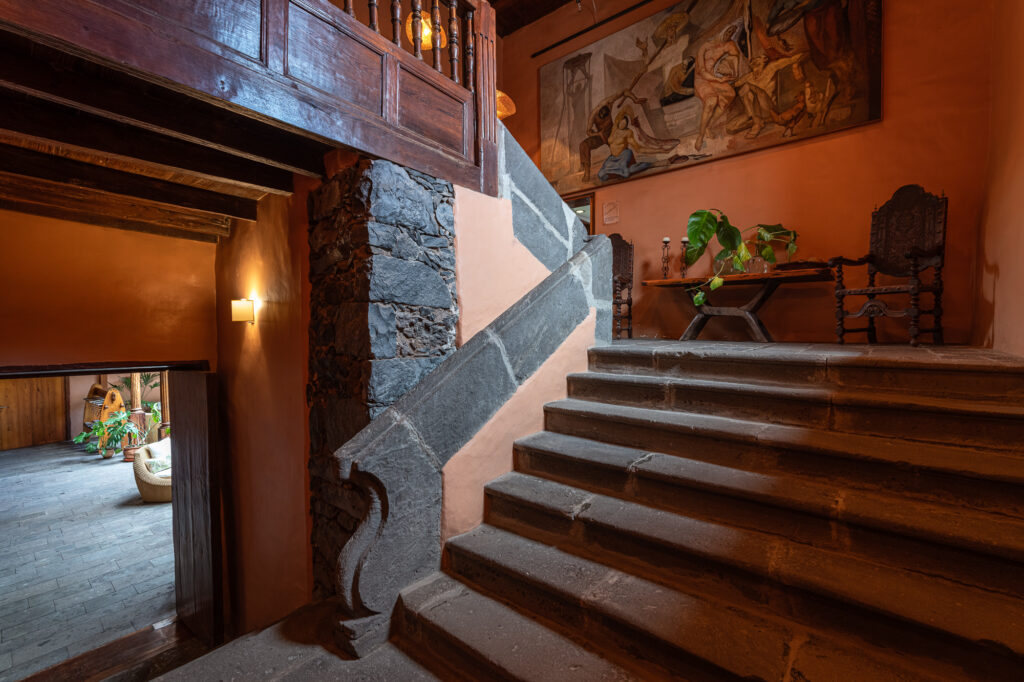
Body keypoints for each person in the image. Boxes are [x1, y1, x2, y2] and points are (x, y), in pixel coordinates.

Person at [693, 25, 743, 151]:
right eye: (728, 31)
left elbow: (736, 57)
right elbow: (702, 72)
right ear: (723, 30)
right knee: (711, 101)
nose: (729, 34)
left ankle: (710, 125)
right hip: (702, 79)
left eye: (732, 32)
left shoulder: (728, 45)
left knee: (730, 93)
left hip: (714, 78)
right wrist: (719, 79)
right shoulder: (705, 46)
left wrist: (734, 72)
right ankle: (701, 135)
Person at [578, 90, 644, 181]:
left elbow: (624, 91)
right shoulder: (593, 115)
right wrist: (598, 133)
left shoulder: (608, 102)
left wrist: (635, 99)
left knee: (620, 149)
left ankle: (628, 165)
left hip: (612, 132)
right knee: (583, 145)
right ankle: (587, 171)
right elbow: (588, 132)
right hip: (600, 135)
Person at [735, 53, 805, 138]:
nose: (756, 70)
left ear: (764, 62)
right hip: (757, 110)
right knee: (746, 90)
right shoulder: (749, 77)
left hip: (770, 109)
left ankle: (756, 122)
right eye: (754, 66)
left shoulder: (771, 68)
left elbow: (791, 59)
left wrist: (799, 59)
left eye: (758, 64)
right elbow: (735, 85)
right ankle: (756, 120)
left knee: (748, 87)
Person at [596, 108, 658, 182]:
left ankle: (648, 165)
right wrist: (632, 117)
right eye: (622, 122)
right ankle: (629, 170)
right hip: (612, 157)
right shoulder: (614, 128)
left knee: (624, 172)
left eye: (625, 124)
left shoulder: (628, 132)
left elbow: (638, 149)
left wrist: (657, 150)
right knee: (601, 175)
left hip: (624, 154)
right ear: (619, 121)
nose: (623, 125)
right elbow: (626, 108)